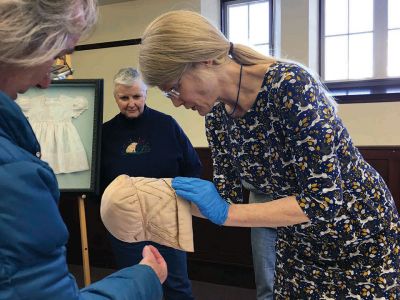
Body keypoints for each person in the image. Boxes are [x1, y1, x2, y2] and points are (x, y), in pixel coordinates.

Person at [138, 10, 400, 299]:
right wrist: (163, 201)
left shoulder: (290, 87)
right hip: (298, 244)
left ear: (204, 60)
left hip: (358, 237)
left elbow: (323, 202)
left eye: (175, 88)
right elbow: (225, 197)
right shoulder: (216, 118)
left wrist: (226, 213)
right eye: (167, 94)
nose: (177, 103)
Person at [0, 1, 167, 299]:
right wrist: (145, 279)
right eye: (55, 56)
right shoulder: (14, 175)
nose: (47, 81)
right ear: (22, 43)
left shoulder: (166, 125)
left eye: (137, 96)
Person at [101, 67, 202, 300]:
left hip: (166, 215)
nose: (131, 103)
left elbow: (193, 166)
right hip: (124, 221)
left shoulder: (167, 125)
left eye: (136, 96)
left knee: (176, 285)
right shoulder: (105, 133)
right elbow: (99, 180)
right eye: (124, 97)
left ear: (145, 94)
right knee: (135, 284)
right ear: (115, 97)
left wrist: (184, 205)